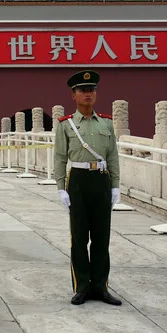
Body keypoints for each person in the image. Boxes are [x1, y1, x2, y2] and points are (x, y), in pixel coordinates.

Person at [53, 69, 122, 306]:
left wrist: (115, 185)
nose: (88, 94)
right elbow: (60, 158)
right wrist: (61, 187)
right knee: (79, 237)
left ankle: (100, 287)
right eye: (83, 91)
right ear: (73, 95)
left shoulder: (106, 122)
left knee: (102, 238)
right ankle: (82, 286)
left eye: (91, 90)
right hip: (79, 181)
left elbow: (112, 155)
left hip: (101, 180)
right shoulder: (65, 125)